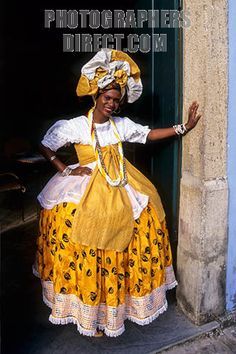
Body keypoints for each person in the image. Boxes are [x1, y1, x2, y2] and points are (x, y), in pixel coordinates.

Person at [32, 48, 201, 337]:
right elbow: (46, 144)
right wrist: (63, 167)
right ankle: (91, 313)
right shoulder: (76, 127)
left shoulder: (120, 126)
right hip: (86, 185)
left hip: (120, 181)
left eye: (115, 100)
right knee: (87, 237)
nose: (111, 104)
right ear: (96, 96)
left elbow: (148, 135)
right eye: (106, 98)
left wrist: (183, 127)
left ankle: (117, 305)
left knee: (140, 225)